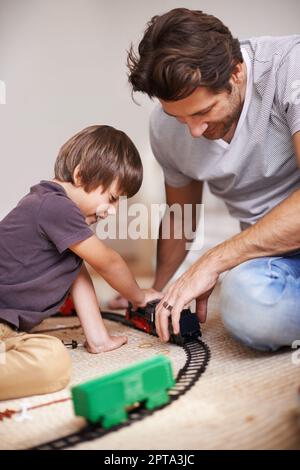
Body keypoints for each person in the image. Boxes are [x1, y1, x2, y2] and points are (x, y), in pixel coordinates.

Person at [123, 8, 300, 351]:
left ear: (236, 72)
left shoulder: (290, 67)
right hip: (276, 258)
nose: (194, 130)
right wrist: (155, 292)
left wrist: (214, 260)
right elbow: (180, 217)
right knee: (247, 306)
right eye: (179, 118)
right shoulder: (165, 126)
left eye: (204, 112)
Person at [0, 124, 161, 400]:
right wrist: (138, 295)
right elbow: (109, 262)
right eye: (111, 198)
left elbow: (78, 275)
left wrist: (98, 339)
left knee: (45, 353)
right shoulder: (54, 207)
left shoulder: (58, 218)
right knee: (51, 363)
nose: (111, 211)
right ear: (80, 175)